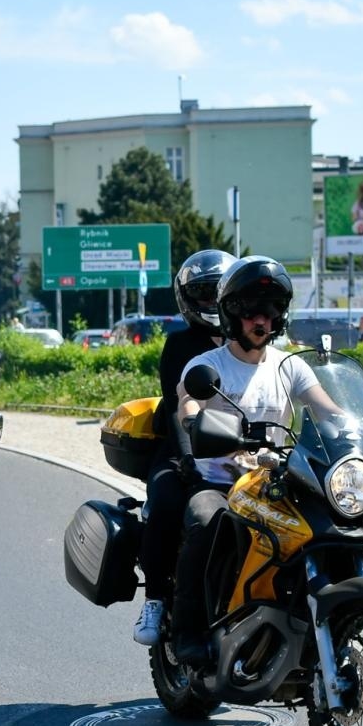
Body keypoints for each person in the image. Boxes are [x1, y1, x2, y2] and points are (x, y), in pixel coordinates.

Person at [168, 256, 339, 666]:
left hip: (279, 482)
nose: (260, 321)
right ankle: (187, 630)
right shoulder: (207, 365)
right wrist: (196, 422)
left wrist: (360, 431)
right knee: (206, 521)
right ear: (232, 315)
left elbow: (328, 410)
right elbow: (188, 403)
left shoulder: (289, 365)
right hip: (221, 483)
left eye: (269, 312)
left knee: (333, 524)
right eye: (250, 312)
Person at [131, 249, 237, 646]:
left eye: (219, 294)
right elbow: (178, 408)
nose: (211, 303)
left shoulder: (251, 339)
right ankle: (156, 598)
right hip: (181, 451)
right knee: (167, 503)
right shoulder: (180, 345)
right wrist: (188, 459)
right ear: (188, 298)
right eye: (203, 294)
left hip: (243, 452)